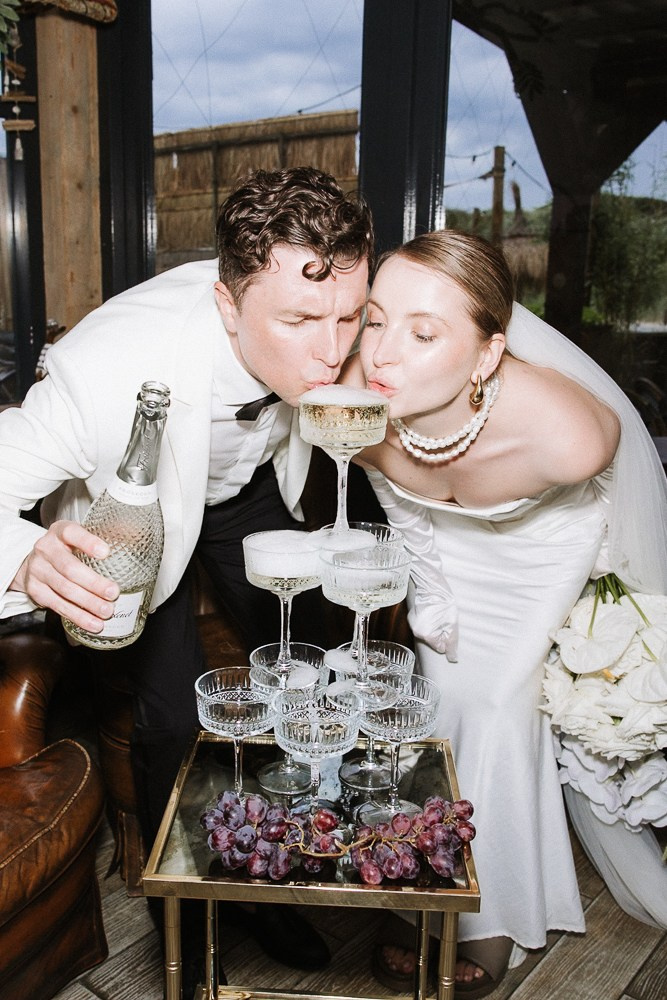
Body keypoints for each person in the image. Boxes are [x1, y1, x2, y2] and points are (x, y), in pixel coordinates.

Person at [0, 166, 373, 988]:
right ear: (227, 303)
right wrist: (22, 555)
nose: (332, 349)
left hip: (241, 490)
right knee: (174, 713)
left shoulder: (332, 329)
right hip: (138, 514)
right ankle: (206, 900)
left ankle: (287, 845)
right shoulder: (106, 369)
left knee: (313, 653)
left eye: (349, 316)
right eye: (302, 320)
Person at [341, 229, 667, 997]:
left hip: (541, 553)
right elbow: (400, 506)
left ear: (486, 356)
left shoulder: (571, 435)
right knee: (439, 699)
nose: (381, 354)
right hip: (444, 555)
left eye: (423, 333)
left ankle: (485, 910)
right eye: (376, 319)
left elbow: (613, 519)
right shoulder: (359, 397)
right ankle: (418, 871)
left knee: (494, 703)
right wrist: (431, 599)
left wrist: (606, 628)